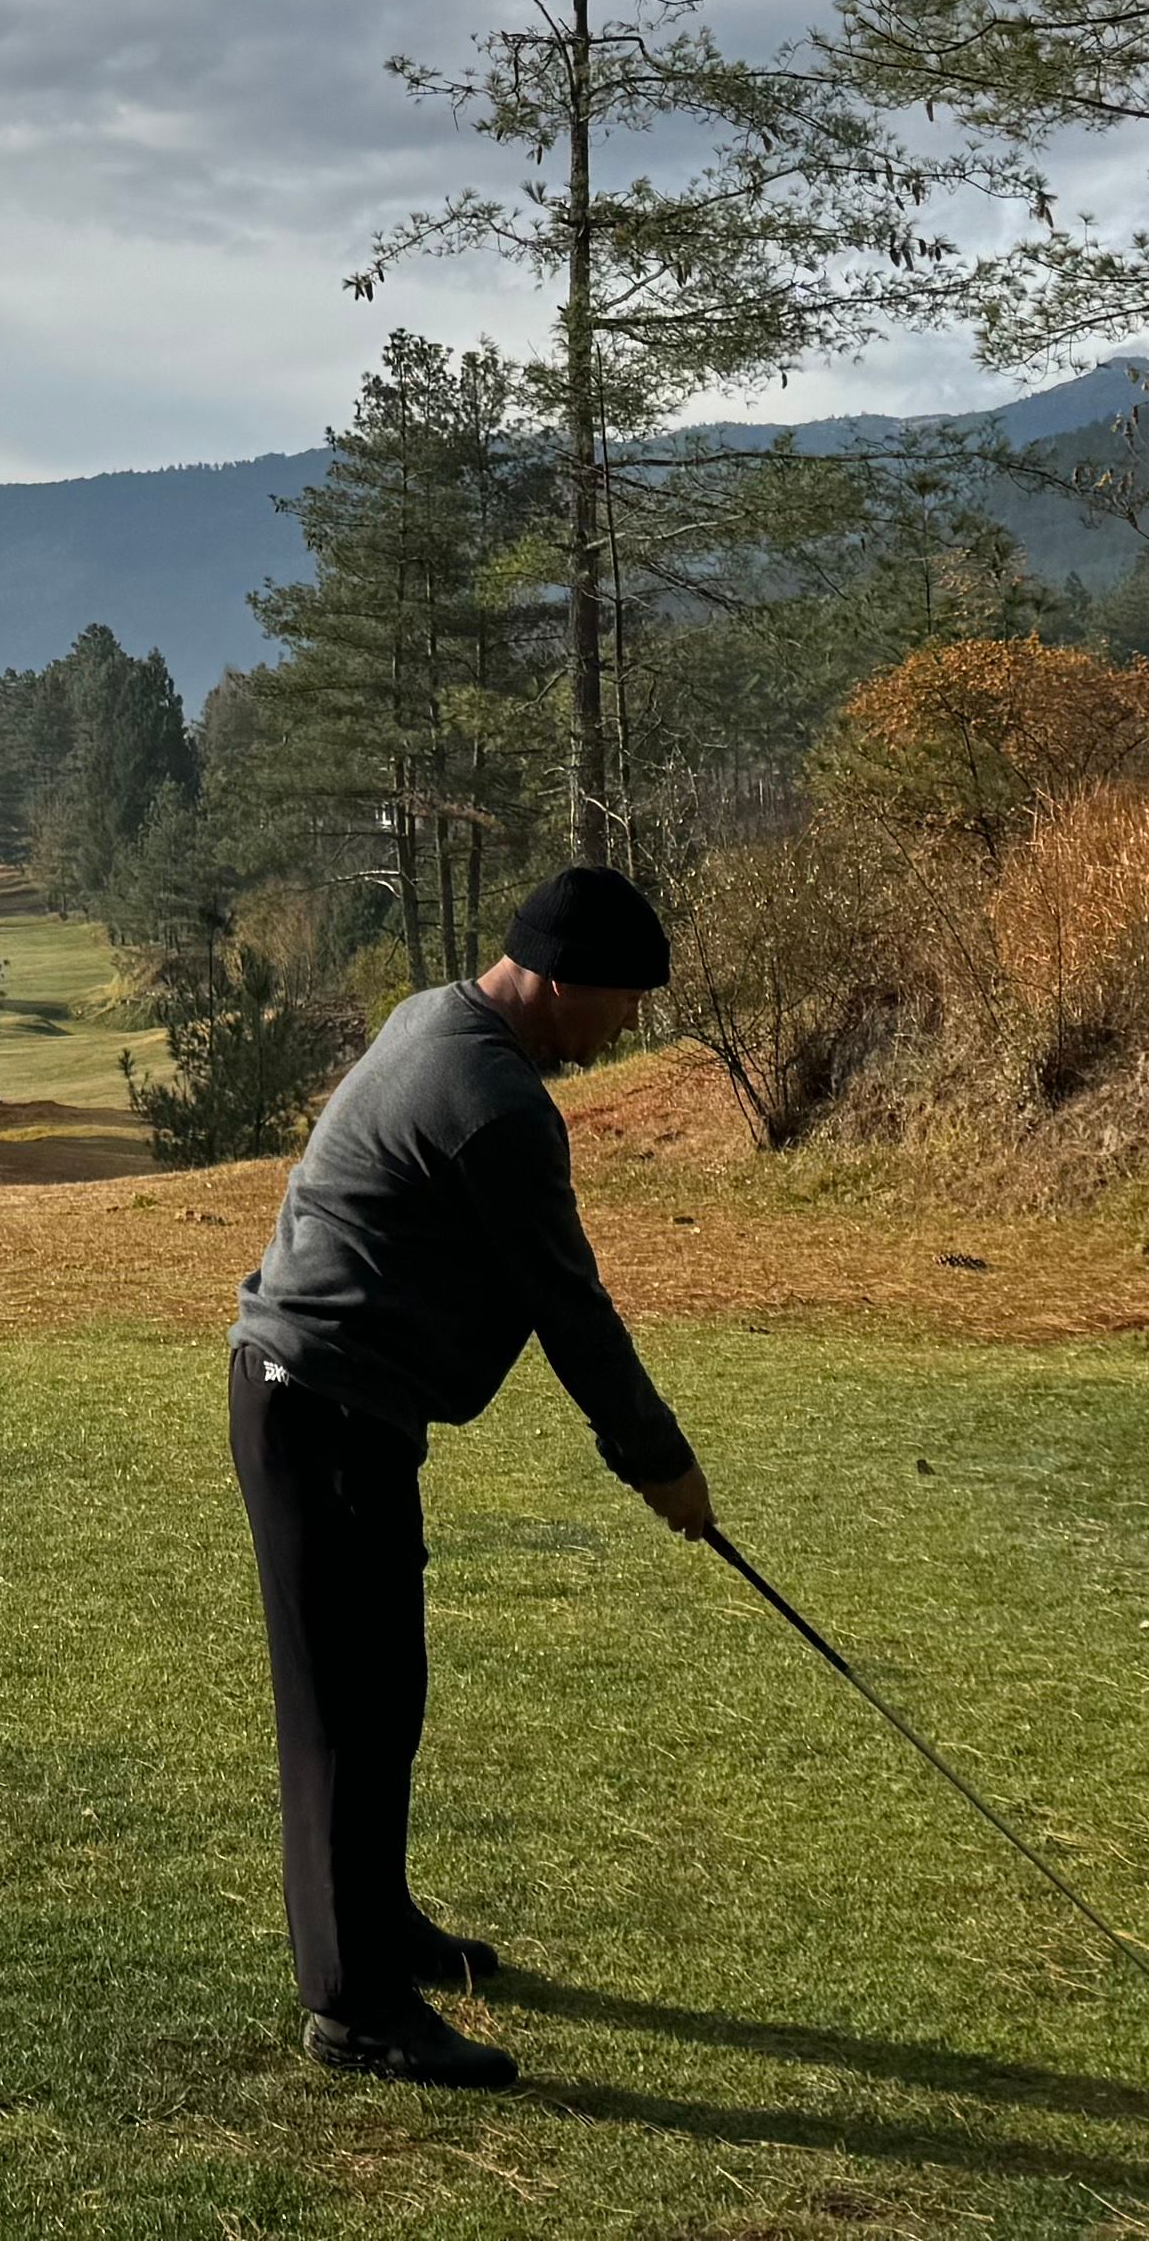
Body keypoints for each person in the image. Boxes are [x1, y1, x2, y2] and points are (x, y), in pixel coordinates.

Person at [226, 861, 713, 2086]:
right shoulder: (494, 1101)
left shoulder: (435, 1016)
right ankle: (355, 2009)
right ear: (558, 980)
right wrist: (659, 1461)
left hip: (339, 1406)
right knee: (342, 1718)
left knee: (386, 1691)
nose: (627, 1026)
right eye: (623, 1000)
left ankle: (378, 1924)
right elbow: (569, 1306)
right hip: (320, 1408)